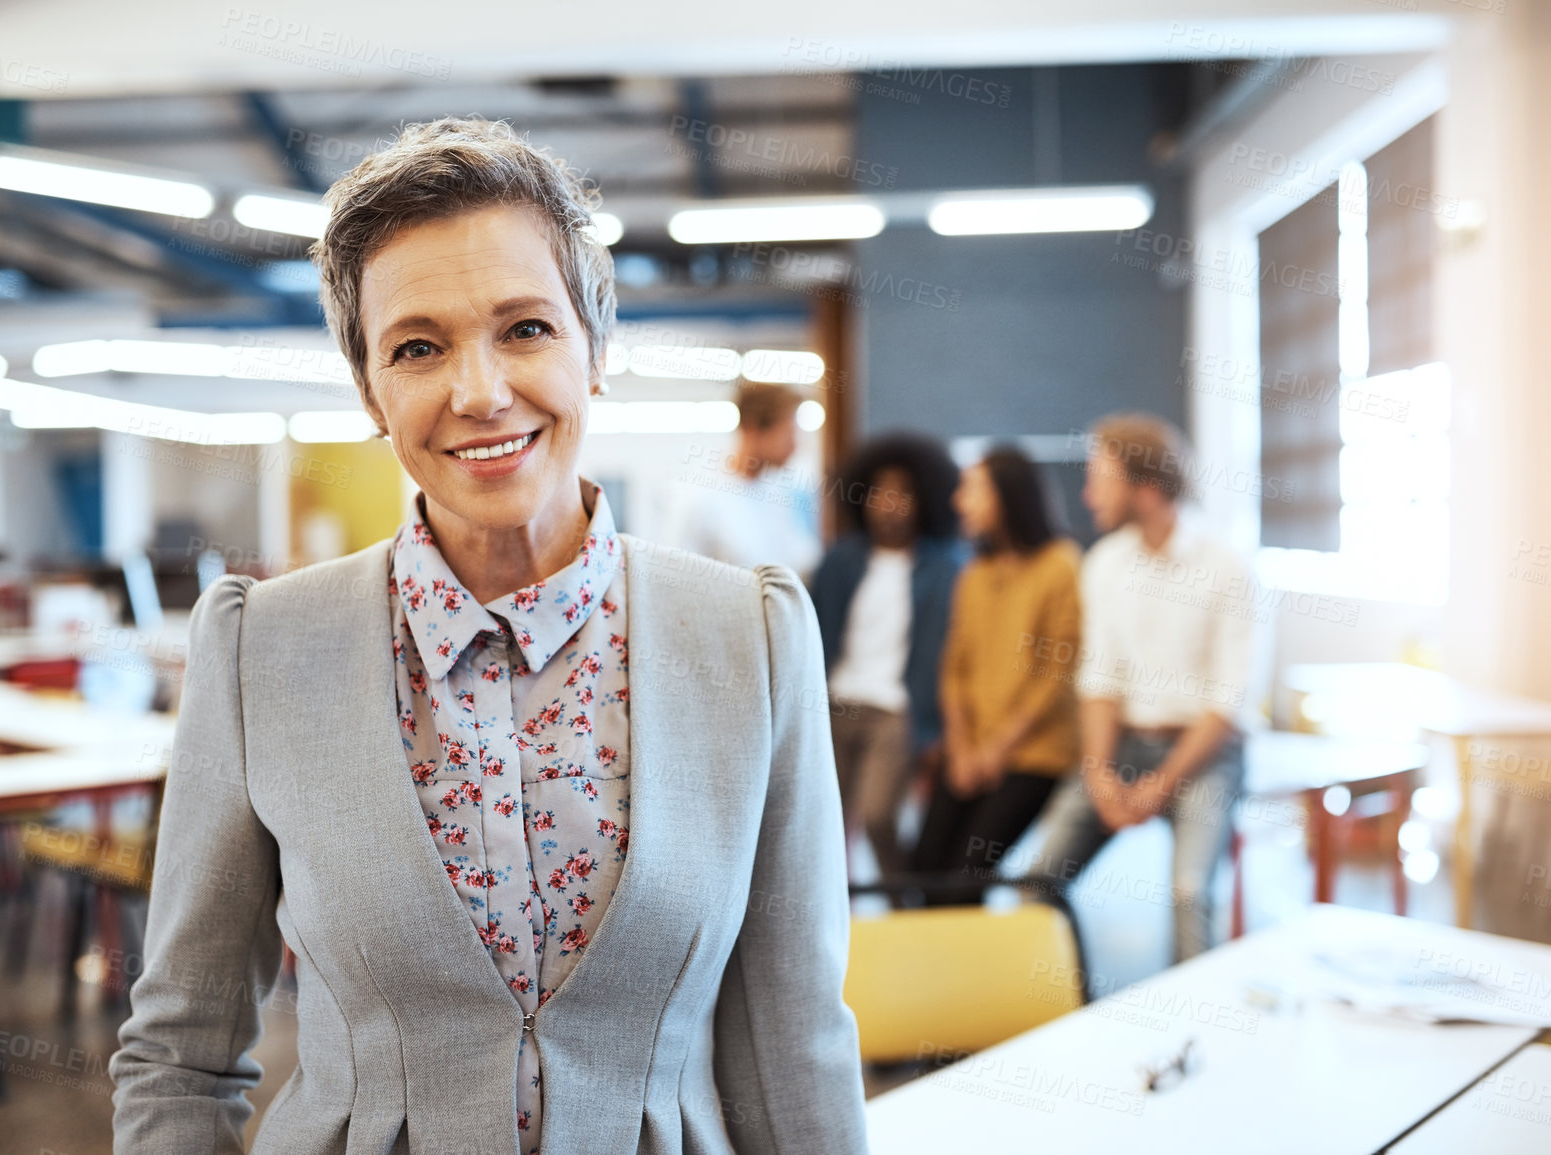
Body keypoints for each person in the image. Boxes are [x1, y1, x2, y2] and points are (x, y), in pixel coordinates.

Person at [110, 118, 867, 1155]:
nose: (479, 392)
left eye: (525, 328)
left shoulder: (751, 641)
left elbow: (796, 1048)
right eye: (418, 347)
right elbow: (180, 1056)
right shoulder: (263, 651)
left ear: (594, 347)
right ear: (372, 392)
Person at [1031, 413, 1257, 961]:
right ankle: (1060, 1008)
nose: (1087, 495)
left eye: (1100, 478)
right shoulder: (1106, 562)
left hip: (1203, 754)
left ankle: (1196, 1030)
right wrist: (1099, 772)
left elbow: (1228, 705)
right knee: (1038, 882)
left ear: (1147, 487)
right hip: (1123, 745)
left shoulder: (1227, 566)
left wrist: (1160, 786)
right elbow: (1100, 679)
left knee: (1189, 893)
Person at [912, 446, 1082, 902]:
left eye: (972, 489)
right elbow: (955, 668)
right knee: (922, 868)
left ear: (1008, 495)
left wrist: (995, 751)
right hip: (971, 748)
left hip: (1033, 754)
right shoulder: (974, 574)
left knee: (967, 873)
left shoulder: (1060, 566)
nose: (959, 501)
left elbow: (1056, 677)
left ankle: (967, 970)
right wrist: (963, 746)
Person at [810, 434, 964, 880]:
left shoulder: (945, 566)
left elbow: (947, 650)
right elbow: (816, 632)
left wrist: (935, 728)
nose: (889, 503)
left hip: (896, 709)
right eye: (880, 491)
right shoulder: (840, 561)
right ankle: (835, 916)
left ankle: (901, 904)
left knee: (879, 815)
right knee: (826, 823)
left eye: (903, 493)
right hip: (835, 701)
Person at [670, 381, 822, 579]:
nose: (794, 446)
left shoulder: (780, 494)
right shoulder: (701, 501)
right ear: (752, 428)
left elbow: (802, 559)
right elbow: (680, 580)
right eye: (787, 433)